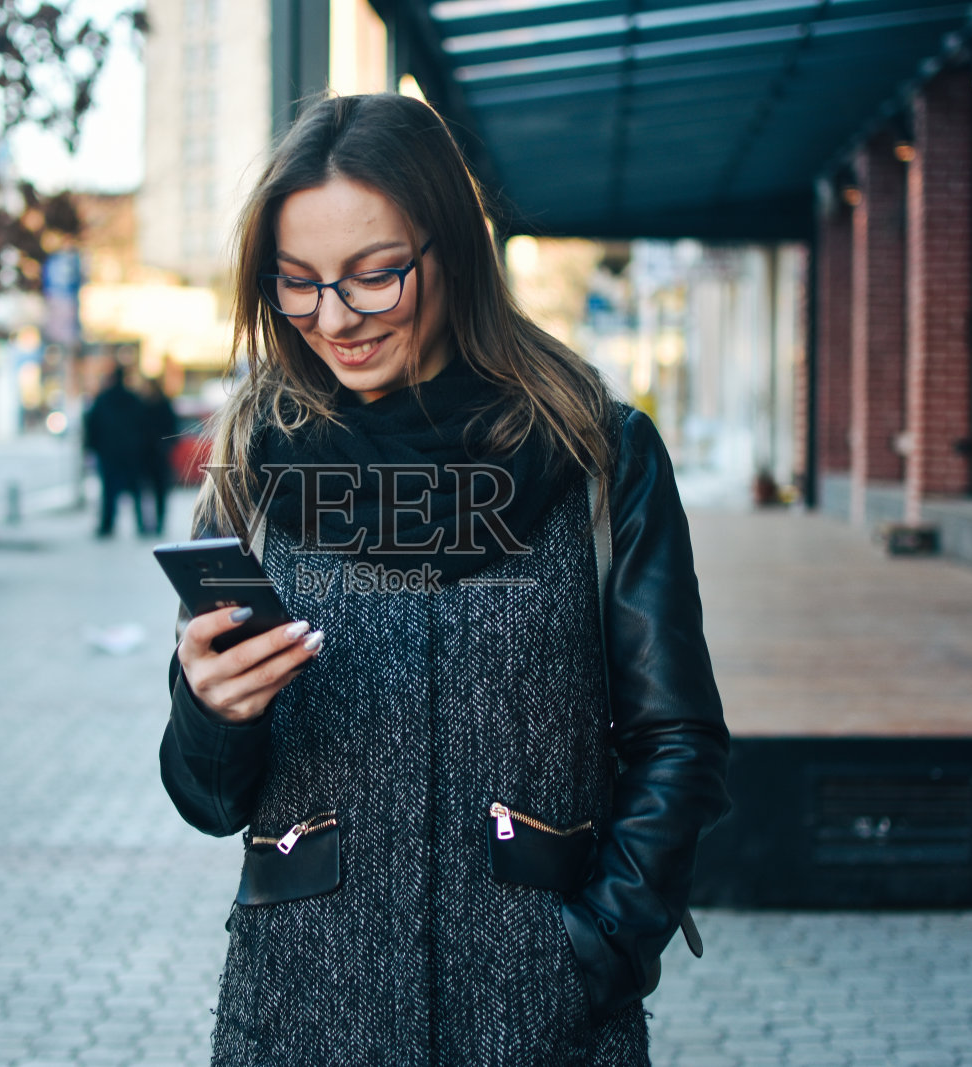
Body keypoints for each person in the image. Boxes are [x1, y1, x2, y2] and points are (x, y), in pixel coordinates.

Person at [158, 93, 730, 1066]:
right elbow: (209, 801)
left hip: (542, 1017)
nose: (333, 317)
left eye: (374, 276)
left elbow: (677, 740)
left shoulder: (598, 452)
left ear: (453, 250)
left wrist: (594, 951)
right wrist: (213, 711)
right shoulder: (254, 458)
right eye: (297, 282)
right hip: (300, 1014)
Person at [83, 364, 149, 537]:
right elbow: (143, 427)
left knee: (108, 491)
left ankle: (107, 525)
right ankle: (141, 524)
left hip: (109, 452)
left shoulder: (103, 399)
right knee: (136, 490)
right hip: (130, 452)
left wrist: (92, 447)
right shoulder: (133, 399)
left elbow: (92, 425)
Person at [138, 376, 179, 535]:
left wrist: (165, 445)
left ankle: (159, 522)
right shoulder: (142, 406)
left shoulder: (163, 405)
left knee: (160, 490)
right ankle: (146, 523)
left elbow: (172, 429)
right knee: (145, 491)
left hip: (159, 455)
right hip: (145, 455)